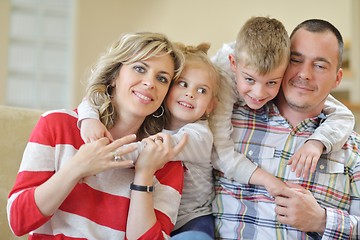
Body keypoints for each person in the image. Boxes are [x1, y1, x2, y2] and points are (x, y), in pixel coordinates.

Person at [7, 32, 188, 240]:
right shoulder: (57, 125)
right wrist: (78, 167)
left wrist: (144, 174)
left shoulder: (166, 159)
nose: (150, 83)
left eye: (162, 78)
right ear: (114, 75)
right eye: (140, 68)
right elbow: (18, 221)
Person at [213, 19, 360, 239]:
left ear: (337, 78)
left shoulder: (353, 151)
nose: (304, 74)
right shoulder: (229, 119)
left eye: (319, 66)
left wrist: (322, 220)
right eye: (295, 60)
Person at [77, 42, 225, 239]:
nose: (190, 93)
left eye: (202, 90)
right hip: (152, 212)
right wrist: (89, 118)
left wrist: (105, 155)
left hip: (188, 220)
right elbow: (94, 97)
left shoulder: (198, 136)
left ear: (210, 106)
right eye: (182, 84)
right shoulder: (152, 119)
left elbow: (148, 151)